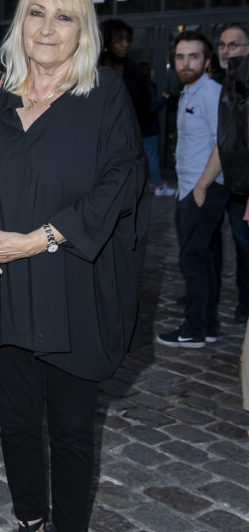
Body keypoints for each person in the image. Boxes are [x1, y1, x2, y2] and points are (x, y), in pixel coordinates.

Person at [0, 0, 148, 532]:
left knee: (69, 432)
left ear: (83, 30)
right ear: (20, 21)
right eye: (35, 13)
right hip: (9, 296)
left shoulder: (103, 98)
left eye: (63, 17)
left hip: (73, 293)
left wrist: (36, 240)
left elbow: (120, 185)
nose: (46, 28)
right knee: (16, 427)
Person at [157, 31, 229, 348]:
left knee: (192, 261)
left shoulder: (211, 92)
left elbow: (223, 144)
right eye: (180, 57)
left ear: (208, 61)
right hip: (192, 188)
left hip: (203, 188)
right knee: (206, 258)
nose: (186, 63)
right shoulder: (189, 92)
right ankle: (208, 325)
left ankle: (195, 329)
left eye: (194, 56)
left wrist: (201, 187)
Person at [212, 23, 249, 323]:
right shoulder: (226, 80)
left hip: (244, 185)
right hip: (232, 182)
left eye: (233, 45)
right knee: (239, 244)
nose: (226, 50)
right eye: (223, 45)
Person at [100, 19, 150, 136]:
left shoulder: (133, 69)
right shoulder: (93, 70)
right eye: (119, 40)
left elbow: (144, 102)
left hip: (129, 136)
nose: (126, 44)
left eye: (127, 40)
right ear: (106, 44)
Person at [138, 61, 174, 197]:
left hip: (139, 128)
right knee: (152, 158)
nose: (153, 72)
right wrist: (164, 99)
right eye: (151, 70)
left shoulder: (137, 87)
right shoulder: (149, 87)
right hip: (149, 129)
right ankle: (159, 186)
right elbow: (152, 108)